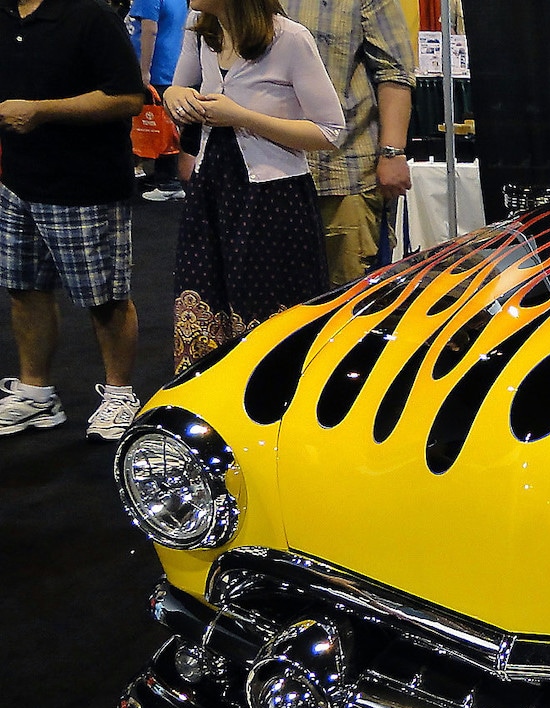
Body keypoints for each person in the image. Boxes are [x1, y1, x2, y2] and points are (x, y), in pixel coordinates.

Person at [164, 0, 344, 371]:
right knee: (202, 297)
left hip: (273, 198)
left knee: (269, 309)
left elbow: (329, 131)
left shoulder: (291, 38)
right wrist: (172, 95)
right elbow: (177, 90)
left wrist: (242, 117)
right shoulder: (200, 28)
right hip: (211, 189)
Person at [0, 0, 145, 441]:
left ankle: (120, 395)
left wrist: (42, 111)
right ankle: (35, 394)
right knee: (24, 289)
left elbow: (128, 97)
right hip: (17, 181)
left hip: (87, 183)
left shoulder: (90, 15)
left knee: (106, 297)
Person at [280, 0, 416, 288]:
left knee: (350, 299)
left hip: (342, 173)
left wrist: (392, 152)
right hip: (266, 174)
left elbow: (394, 72)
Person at [130, 0, 193, 201]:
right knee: (168, 124)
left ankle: (168, 182)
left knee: (163, 126)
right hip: (170, 64)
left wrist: (144, 71)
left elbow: (149, 30)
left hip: (156, 68)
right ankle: (164, 177)